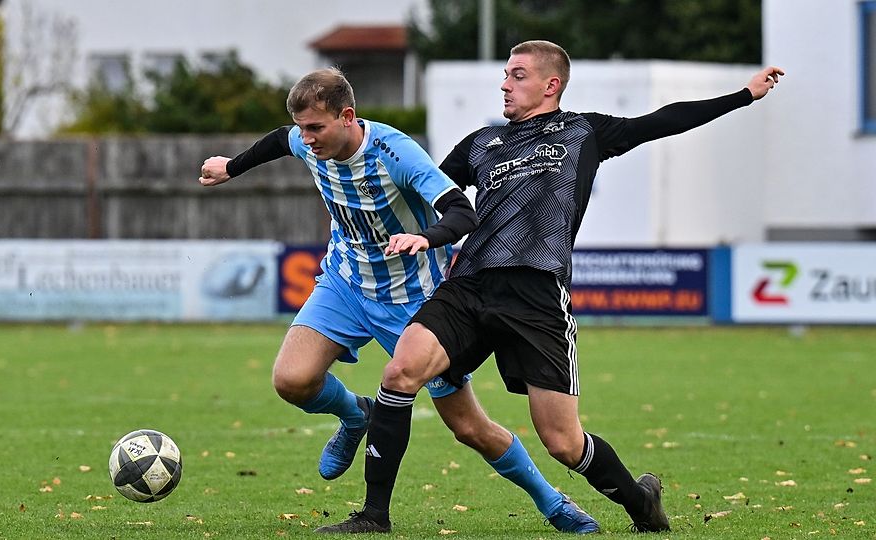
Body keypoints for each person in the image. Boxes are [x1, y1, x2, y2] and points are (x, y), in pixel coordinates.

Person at [318, 41, 785, 534]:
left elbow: (663, 120)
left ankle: (639, 500)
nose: (504, 83)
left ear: (550, 84)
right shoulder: (481, 143)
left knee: (563, 442)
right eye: (504, 74)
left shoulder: (586, 131)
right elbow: (416, 188)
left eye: (517, 75)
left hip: (537, 295)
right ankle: (374, 516)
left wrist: (742, 95)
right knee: (400, 373)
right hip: (470, 284)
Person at [198, 67, 599, 534]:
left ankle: (551, 501)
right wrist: (232, 166)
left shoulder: (397, 153)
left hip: (413, 301)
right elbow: (277, 140)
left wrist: (423, 239)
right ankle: (356, 415)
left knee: (469, 428)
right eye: (302, 128)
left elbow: (461, 211)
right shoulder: (308, 140)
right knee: (292, 380)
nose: (306, 140)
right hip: (346, 282)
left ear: (347, 116)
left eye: (315, 128)